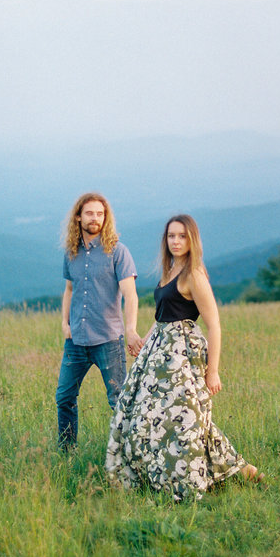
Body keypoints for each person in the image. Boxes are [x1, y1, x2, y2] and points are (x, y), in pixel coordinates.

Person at [106, 213, 260, 500]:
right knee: (152, 418)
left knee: (186, 420)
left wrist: (212, 371)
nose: (175, 241)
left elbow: (213, 325)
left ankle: (189, 481)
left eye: (181, 236)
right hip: (157, 356)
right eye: (171, 236)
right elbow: (162, 317)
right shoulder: (170, 270)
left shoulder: (194, 274)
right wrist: (145, 339)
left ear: (192, 239)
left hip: (182, 358)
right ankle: (237, 470)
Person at [57, 193, 143, 450]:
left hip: (108, 340)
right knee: (64, 398)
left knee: (119, 402)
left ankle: (128, 455)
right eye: (90, 213)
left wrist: (131, 329)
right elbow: (69, 289)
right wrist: (65, 323)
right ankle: (66, 453)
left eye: (100, 214)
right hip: (76, 341)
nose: (95, 218)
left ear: (106, 218)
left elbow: (130, 293)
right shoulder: (71, 252)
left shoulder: (118, 251)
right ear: (78, 217)